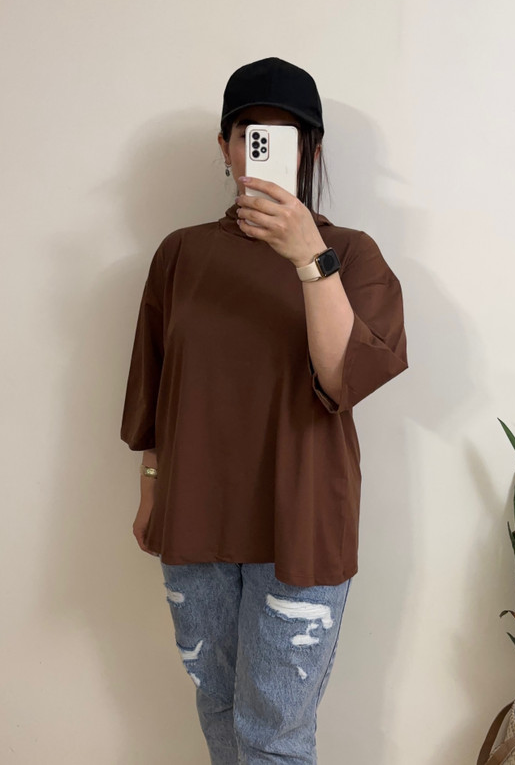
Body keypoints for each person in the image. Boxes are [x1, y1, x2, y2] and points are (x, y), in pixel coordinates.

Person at [120, 57, 408, 765]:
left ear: (311, 150)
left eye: (286, 136)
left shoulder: (351, 255)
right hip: (194, 521)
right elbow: (154, 386)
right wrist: (151, 489)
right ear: (225, 146)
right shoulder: (180, 254)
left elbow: (342, 378)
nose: (264, 149)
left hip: (302, 524)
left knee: (273, 735)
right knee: (220, 714)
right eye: (251, 133)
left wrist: (310, 257)